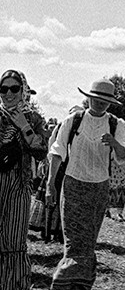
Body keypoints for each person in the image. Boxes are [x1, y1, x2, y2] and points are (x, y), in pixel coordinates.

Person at [47, 79, 125, 290]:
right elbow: (57, 152)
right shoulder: (73, 120)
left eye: (105, 100)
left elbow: (122, 156)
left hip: (99, 188)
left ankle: (82, 285)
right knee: (73, 243)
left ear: (110, 102)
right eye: (97, 99)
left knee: (89, 243)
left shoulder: (116, 124)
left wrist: (115, 143)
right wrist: (50, 185)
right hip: (73, 185)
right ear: (89, 98)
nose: (100, 103)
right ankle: (62, 284)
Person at [0, 69, 48, 289]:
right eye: (3, 89)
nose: (8, 94)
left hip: (18, 184)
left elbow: (41, 151)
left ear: (23, 90)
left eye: (14, 88)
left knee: (13, 241)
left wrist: (23, 125)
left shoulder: (33, 118)